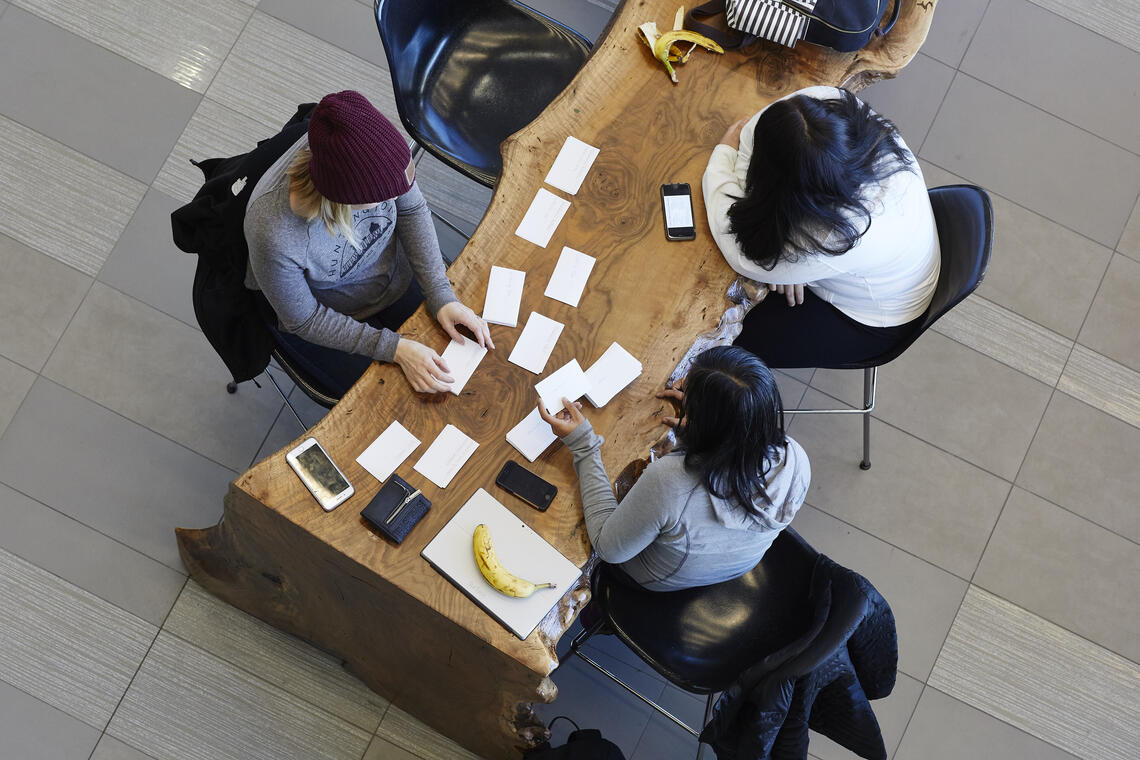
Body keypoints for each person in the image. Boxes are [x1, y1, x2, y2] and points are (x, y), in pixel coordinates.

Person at [243, 90, 493, 395]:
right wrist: (394, 348)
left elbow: (412, 209)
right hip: (327, 315)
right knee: (396, 398)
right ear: (341, 199)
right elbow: (304, 319)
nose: (394, 201)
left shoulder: (375, 153)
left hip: (394, 278)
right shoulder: (274, 231)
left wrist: (441, 294)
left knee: (470, 360)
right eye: (379, 200)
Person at [702, 85, 940, 368]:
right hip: (888, 264)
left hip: (873, 318)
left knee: (714, 345)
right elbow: (751, 138)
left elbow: (739, 250)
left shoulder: (840, 235)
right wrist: (787, 260)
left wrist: (724, 153)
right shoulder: (821, 104)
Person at [538, 346, 810, 591]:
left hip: (653, 580)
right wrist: (710, 427)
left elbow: (608, 548)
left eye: (689, 391)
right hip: (732, 563)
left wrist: (584, 445)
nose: (681, 386)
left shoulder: (671, 482)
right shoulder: (795, 456)